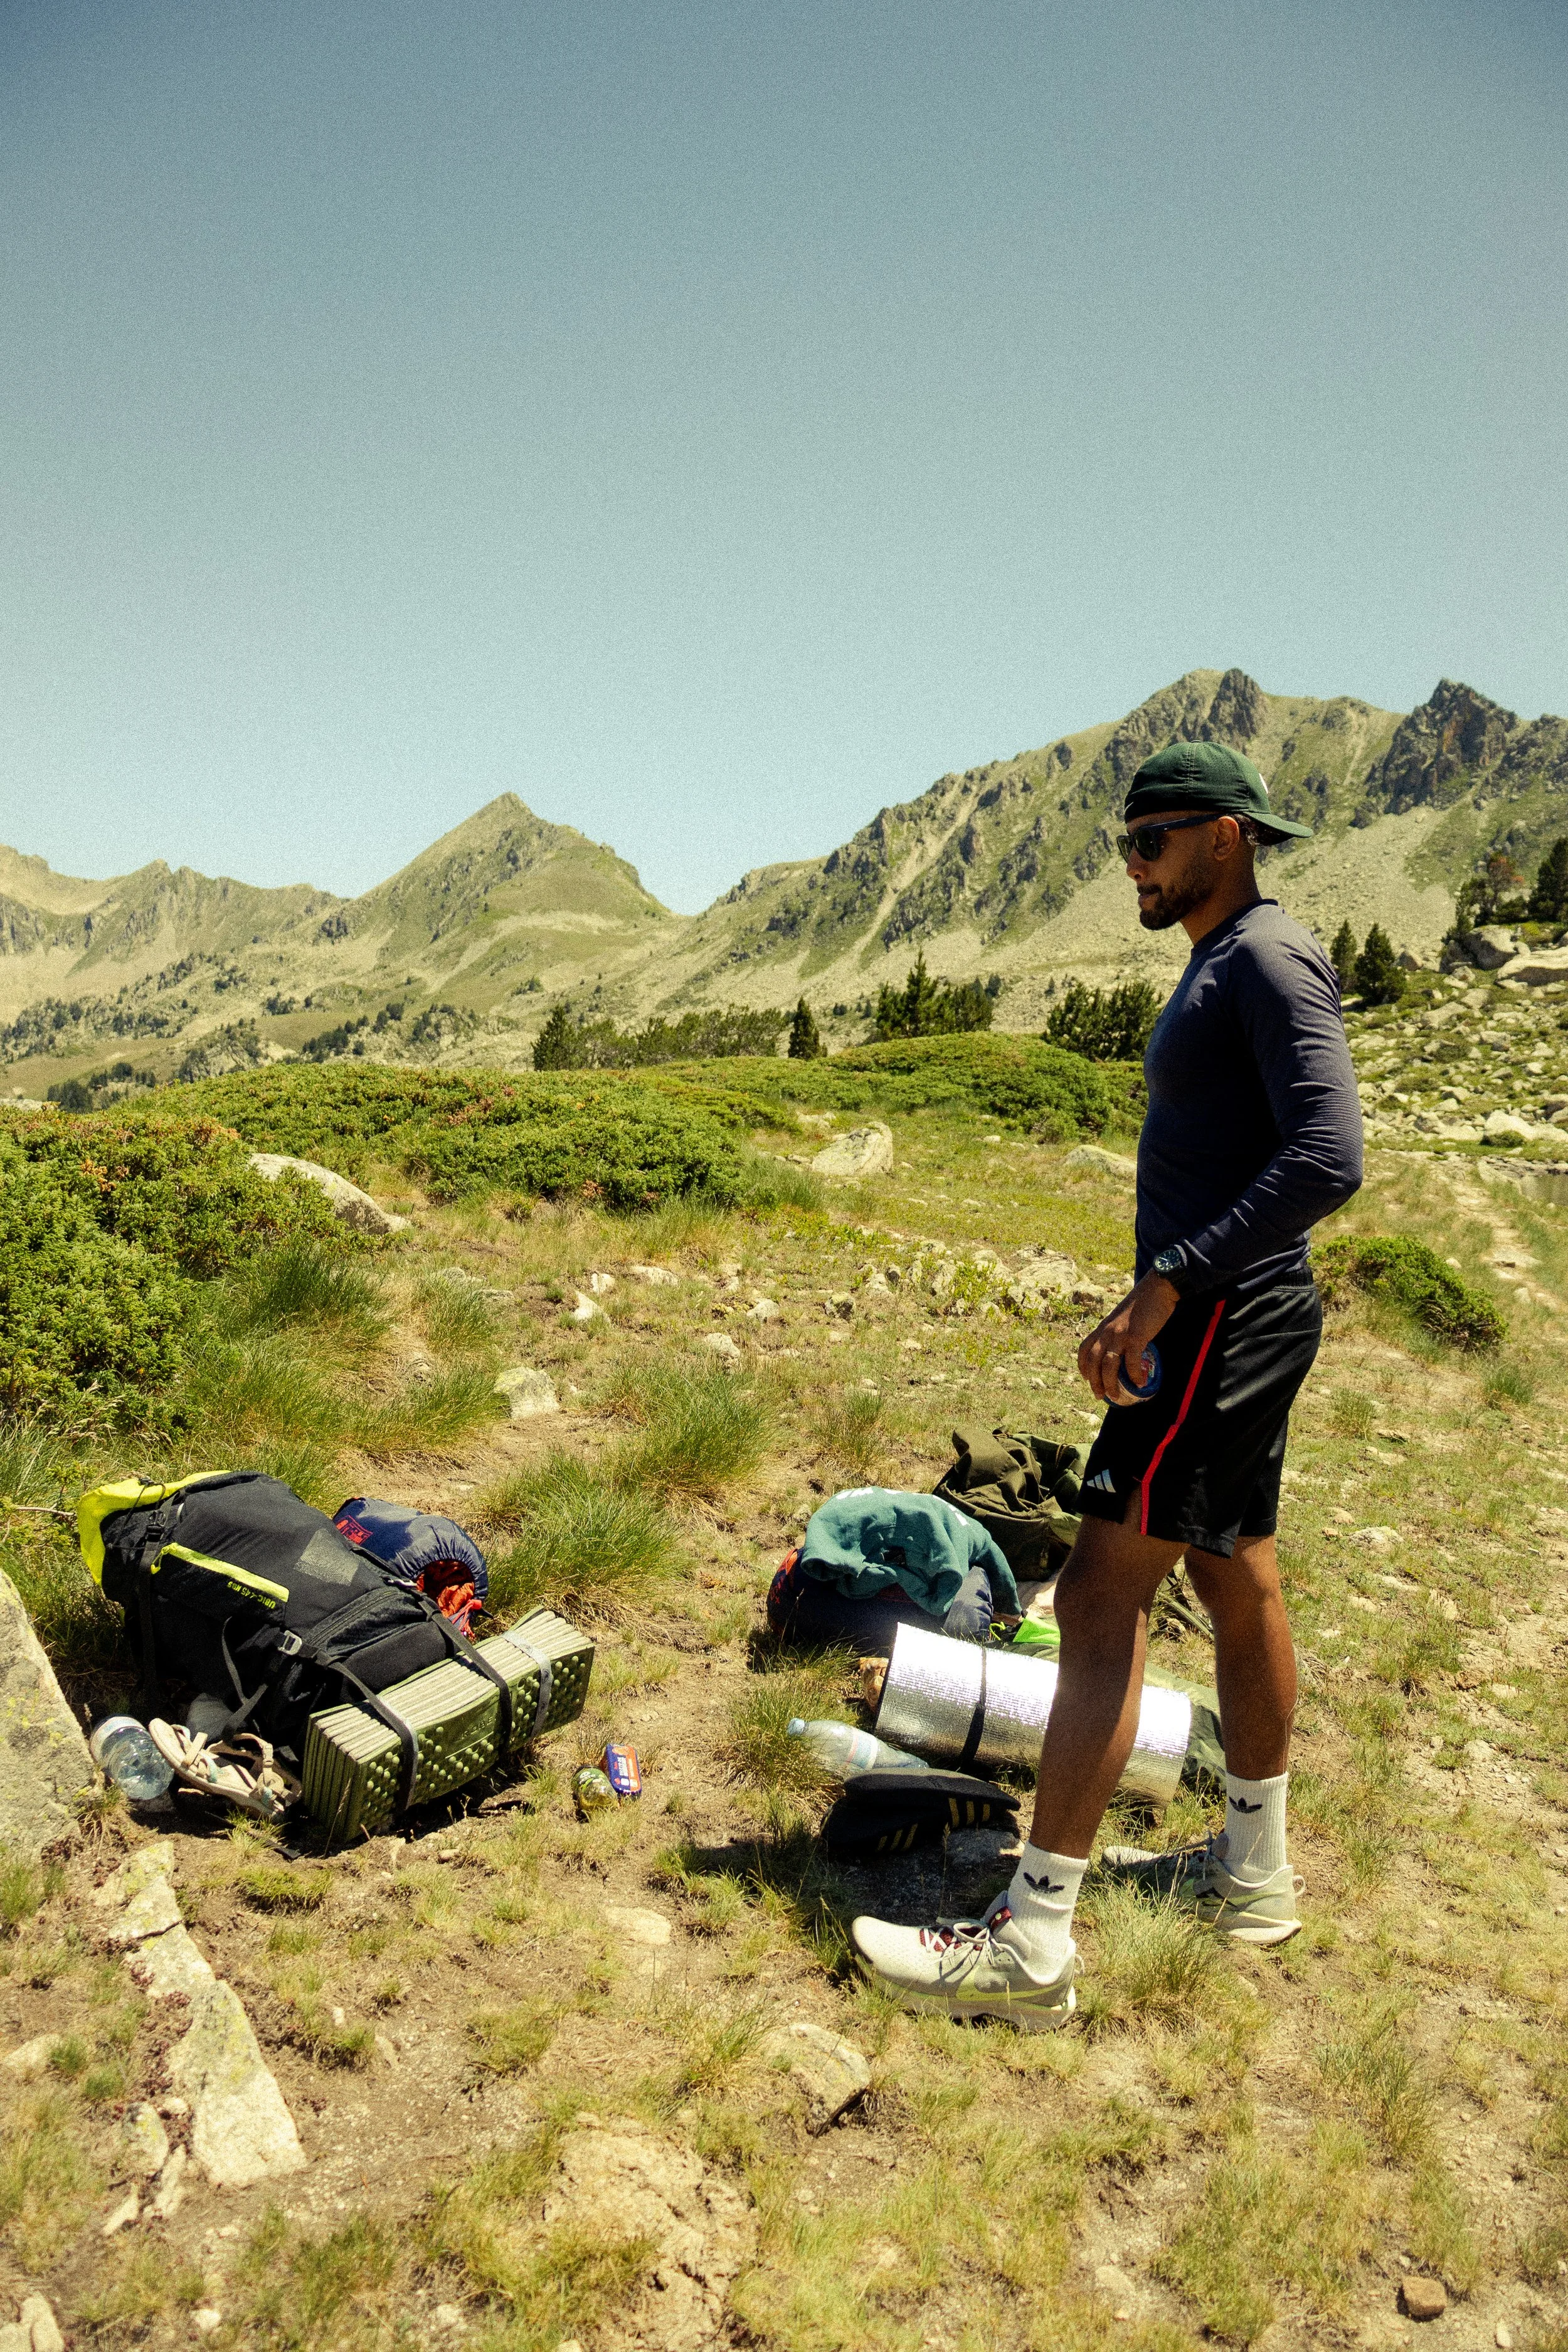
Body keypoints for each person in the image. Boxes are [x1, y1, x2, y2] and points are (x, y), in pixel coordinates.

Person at [851, 738, 1364, 2029]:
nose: (1131, 866)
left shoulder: (1261, 956)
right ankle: (1251, 1881)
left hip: (1214, 1328)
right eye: (1121, 845)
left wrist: (1169, 1282)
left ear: (1226, 836)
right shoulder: (1219, 962)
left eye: (1152, 841)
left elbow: (1329, 1154)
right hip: (1229, 1320)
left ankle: (1026, 1949)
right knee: (1231, 1571)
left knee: (1095, 1594)